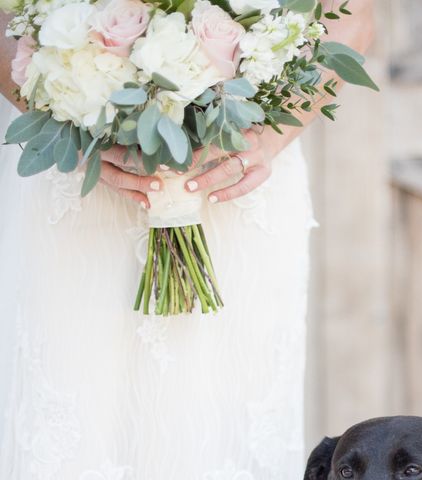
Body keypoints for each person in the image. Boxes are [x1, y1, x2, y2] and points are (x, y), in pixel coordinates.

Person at [0, 1, 374, 478]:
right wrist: (64, 105)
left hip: (236, 177)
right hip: (72, 175)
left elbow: (355, 17)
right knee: (72, 405)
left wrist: (268, 140)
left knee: (224, 413)